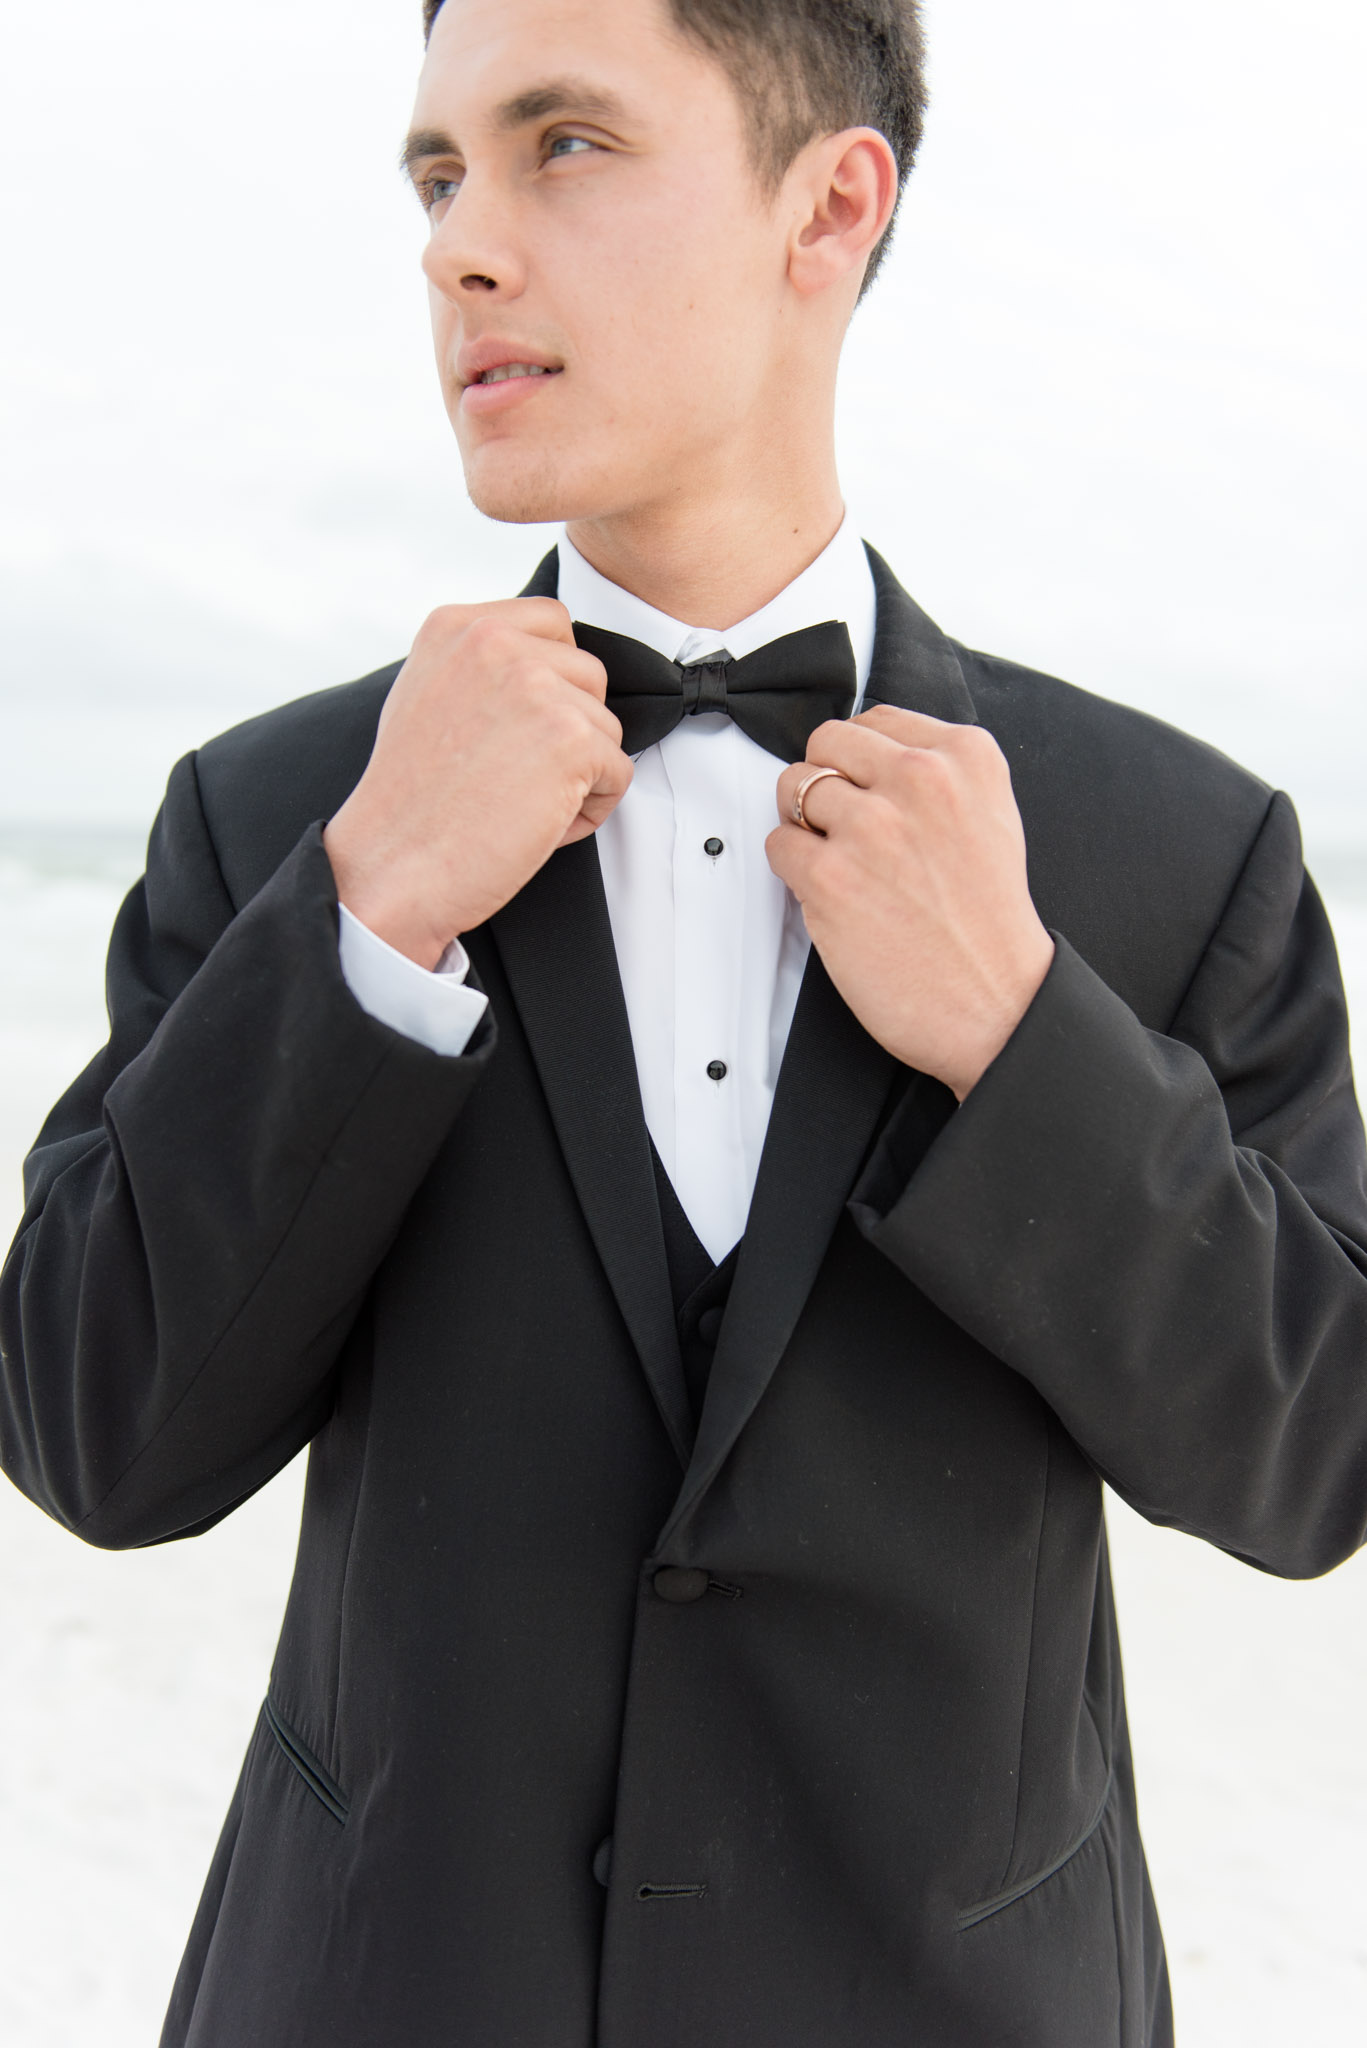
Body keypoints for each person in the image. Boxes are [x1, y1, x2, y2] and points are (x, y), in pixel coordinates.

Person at [3, 0, 1366, 2040]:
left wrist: (1019, 1031)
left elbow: (1313, 1457)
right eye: (439, 173)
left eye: (563, 144)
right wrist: (371, 917)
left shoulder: (1177, 852)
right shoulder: (284, 818)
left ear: (833, 206)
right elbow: (96, 1432)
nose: (461, 243)